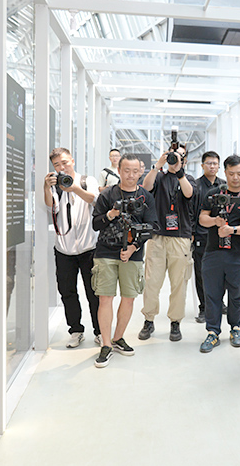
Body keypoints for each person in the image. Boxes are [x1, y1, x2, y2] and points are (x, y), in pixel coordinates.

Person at [90, 154, 157, 367]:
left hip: (133, 255)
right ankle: (106, 344)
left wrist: (133, 248)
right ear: (118, 170)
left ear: (140, 172)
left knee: (129, 298)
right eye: (126, 170)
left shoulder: (146, 197)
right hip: (105, 253)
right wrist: (111, 214)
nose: (130, 175)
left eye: (135, 171)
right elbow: (96, 224)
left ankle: (118, 338)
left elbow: (152, 228)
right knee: (105, 298)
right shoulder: (107, 195)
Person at [198, 155, 240, 353]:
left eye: (239, 174)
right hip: (213, 252)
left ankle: (235, 328)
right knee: (212, 294)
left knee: (236, 294)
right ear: (224, 172)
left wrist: (232, 230)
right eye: (231, 173)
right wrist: (215, 221)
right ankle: (212, 332)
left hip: (237, 255)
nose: (235, 178)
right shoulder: (213, 194)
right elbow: (202, 218)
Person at [138, 142, 197, 342]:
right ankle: (149, 320)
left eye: (180, 156)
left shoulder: (188, 179)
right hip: (157, 236)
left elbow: (189, 193)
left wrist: (179, 172)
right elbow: (146, 187)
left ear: (185, 160)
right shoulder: (158, 177)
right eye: (173, 155)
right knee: (151, 282)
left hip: (180, 238)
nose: (175, 159)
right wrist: (157, 166)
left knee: (179, 283)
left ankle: (175, 322)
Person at [43, 147, 102, 348]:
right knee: (67, 292)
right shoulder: (55, 185)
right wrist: (46, 188)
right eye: (57, 165)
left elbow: (94, 200)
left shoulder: (87, 180)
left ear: (73, 161)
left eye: (65, 162)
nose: (62, 167)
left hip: (89, 248)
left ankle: (99, 331)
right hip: (64, 249)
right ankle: (76, 330)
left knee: (94, 292)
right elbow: (50, 207)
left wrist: (74, 188)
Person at [192, 151, 226, 323]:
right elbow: (192, 212)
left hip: (221, 235)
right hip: (202, 235)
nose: (212, 166)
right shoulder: (196, 186)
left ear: (219, 166)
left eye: (215, 163)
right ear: (202, 165)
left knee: (222, 271)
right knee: (202, 273)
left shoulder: (224, 185)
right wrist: (192, 233)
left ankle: (219, 302)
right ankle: (204, 307)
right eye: (209, 163)